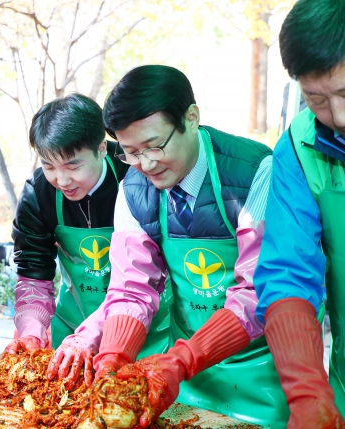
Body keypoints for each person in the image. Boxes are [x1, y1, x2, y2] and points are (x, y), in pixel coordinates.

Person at [96, 65, 289, 428]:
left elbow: (256, 295)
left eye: (155, 146)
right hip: (190, 380)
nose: (146, 164)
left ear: (191, 117)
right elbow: (131, 289)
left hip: (262, 374)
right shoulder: (134, 189)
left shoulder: (256, 172)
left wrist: (182, 359)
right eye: (131, 152)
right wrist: (113, 356)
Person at [5, 93, 171, 389]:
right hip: (72, 332)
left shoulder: (139, 178)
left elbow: (144, 278)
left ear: (102, 148)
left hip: (146, 332)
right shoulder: (39, 193)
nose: (62, 179)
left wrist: (95, 334)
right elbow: (33, 273)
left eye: (72, 165)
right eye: (49, 165)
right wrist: (31, 330)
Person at [254, 0, 345, 426]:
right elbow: (288, 271)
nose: (339, 116)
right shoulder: (298, 149)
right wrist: (307, 391)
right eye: (318, 99)